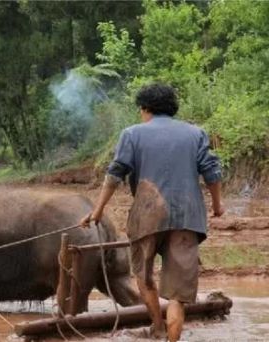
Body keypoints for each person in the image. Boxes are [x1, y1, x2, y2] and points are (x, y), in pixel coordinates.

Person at [80, 83, 224, 342]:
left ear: (145, 109)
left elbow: (115, 174)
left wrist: (98, 211)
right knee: (179, 295)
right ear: (172, 109)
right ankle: (171, 337)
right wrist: (217, 206)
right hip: (187, 217)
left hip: (147, 215)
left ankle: (157, 326)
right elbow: (211, 172)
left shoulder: (132, 134)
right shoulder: (196, 134)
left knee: (144, 277)